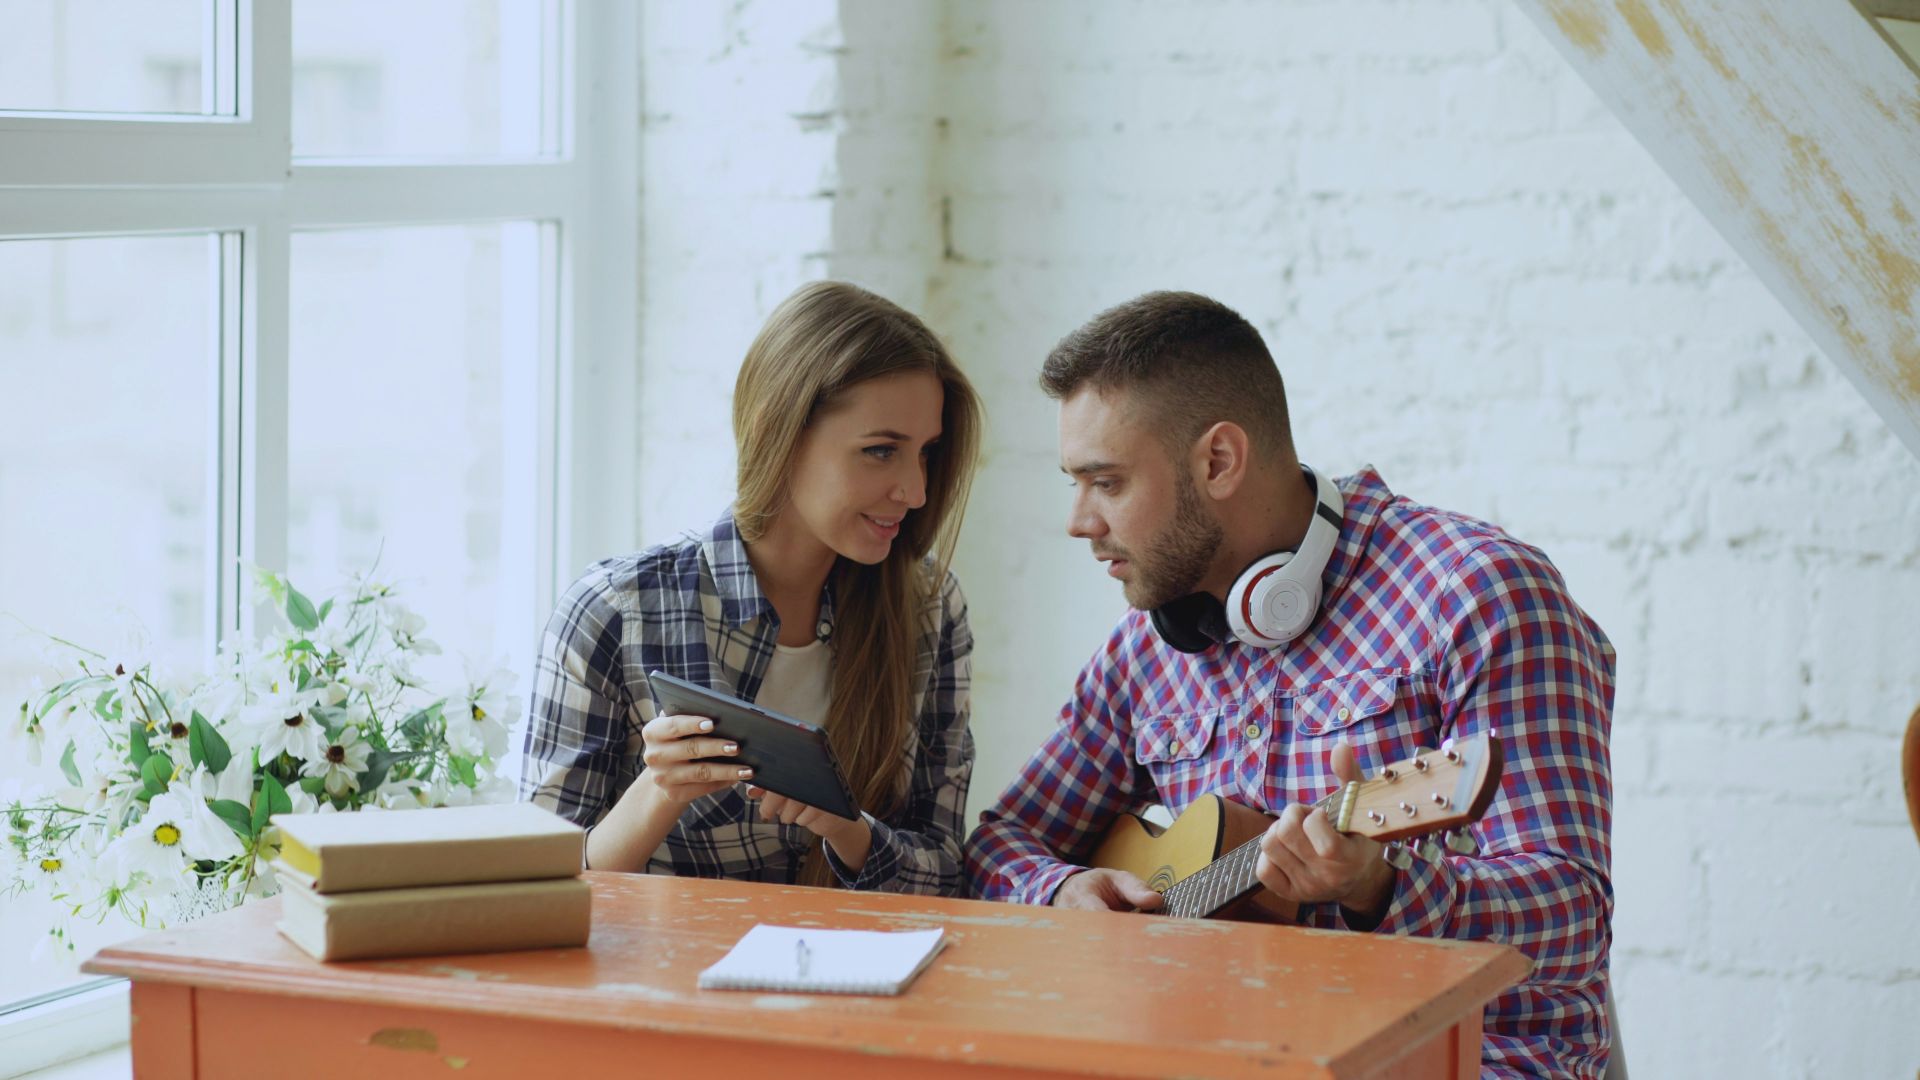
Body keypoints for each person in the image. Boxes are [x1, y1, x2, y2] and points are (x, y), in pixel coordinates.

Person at [965, 291, 1616, 1077]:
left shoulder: (1479, 593)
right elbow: (1002, 844)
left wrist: (1380, 888)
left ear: (1218, 461)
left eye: (1106, 483)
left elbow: (1572, 918)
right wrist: (1063, 891)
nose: (1078, 520)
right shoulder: (1150, 641)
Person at [523, 281, 982, 894]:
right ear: (780, 434)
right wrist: (658, 792)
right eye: (880, 452)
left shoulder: (928, 606)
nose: (916, 492)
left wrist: (851, 833)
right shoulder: (616, 611)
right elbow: (538, 882)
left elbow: (948, 870)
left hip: (865, 977)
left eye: (925, 453)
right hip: (669, 980)